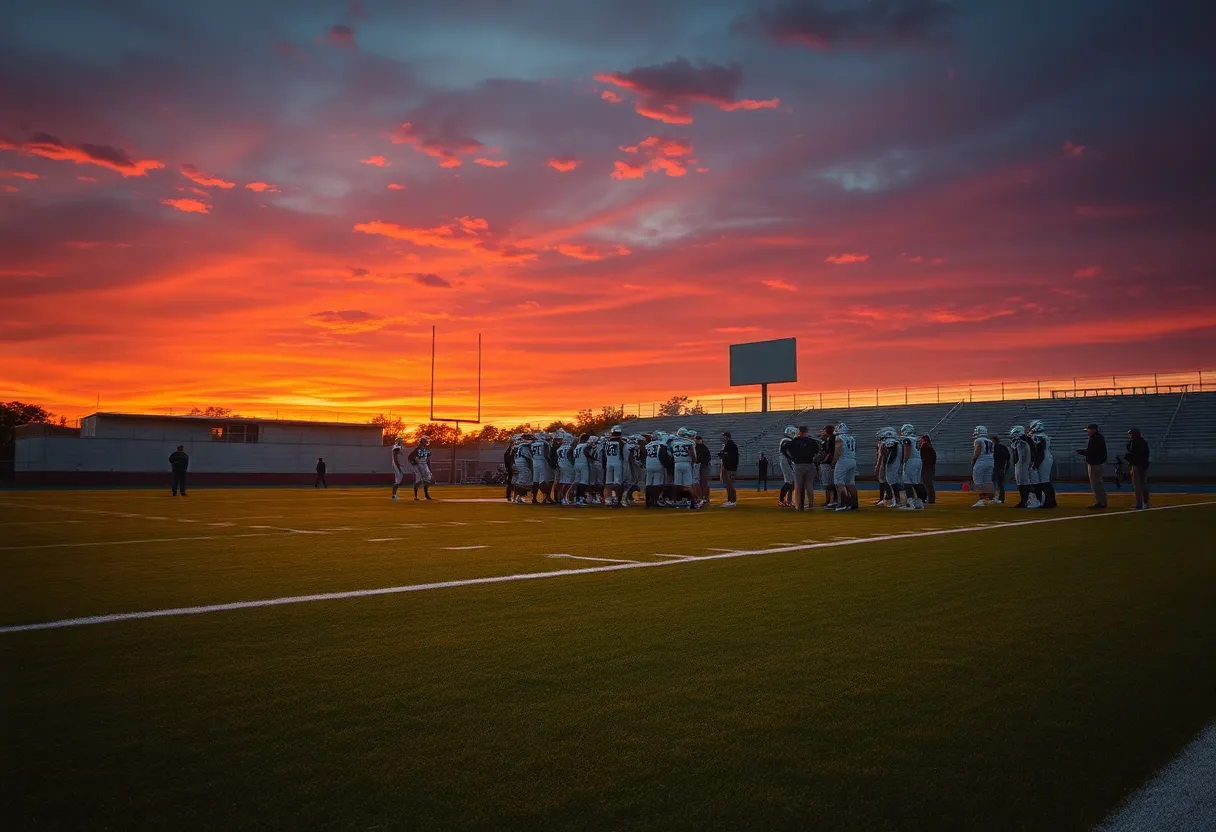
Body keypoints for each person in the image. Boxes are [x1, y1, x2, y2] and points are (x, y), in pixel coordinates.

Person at [1075, 423, 1107, 509]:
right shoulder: (1097, 438)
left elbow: (1091, 451)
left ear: (1093, 430)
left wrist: (1080, 452)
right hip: (1096, 463)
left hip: (1095, 464)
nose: (1087, 432)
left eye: (1088, 430)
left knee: (1096, 483)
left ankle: (1100, 502)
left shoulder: (1095, 439)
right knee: (1097, 483)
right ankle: (1101, 501)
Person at [788, 426, 820, 511]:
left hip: (798, 464)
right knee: (809, 484)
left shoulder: (794, 441)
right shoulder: (812, 441)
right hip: (809, 463)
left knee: (798, 485)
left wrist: (792, 458)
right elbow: (818, 452)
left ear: (799, 431)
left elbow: (786, 451)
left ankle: (798, 505)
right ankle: (811, 504)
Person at [1028, 419, 1057, 508]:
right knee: (1045, 481)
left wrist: (1036, 463)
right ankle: (1051, 501)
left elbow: (1040, 452)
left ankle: (1049, 502)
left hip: (1043, 459)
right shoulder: (1044, 436)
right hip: (1047, 458)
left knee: (1044, 481)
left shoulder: (1038, 437)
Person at [1009, 426, 1040, 508]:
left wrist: (1024, 465)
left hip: (1023, 465)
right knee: (1022, 484)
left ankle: (1033, 500)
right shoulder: (1025, 441)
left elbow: (1021, 456)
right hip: (1023, 465)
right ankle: (1025, 501)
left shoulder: (1021, 442)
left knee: (1025, 484)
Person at [897, 424, 926, 510]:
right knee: (917, 482)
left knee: (907, 483)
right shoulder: (916, 439)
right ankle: (919, 503)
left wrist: (904, 462)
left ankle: (910, 503)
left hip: (911, 461)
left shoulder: (907, 439)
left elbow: (907, 451)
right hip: (918, 460)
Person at [832, 422, 859, 511]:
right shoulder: (852, 438)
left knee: (838, 482)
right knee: (851, 483)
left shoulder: (839, 438)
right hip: (852, 459)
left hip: (843, 460)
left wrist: (834, 461)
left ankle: (844, 503)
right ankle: (854, 504)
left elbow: (837, 451)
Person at [970, 426, 996, 507]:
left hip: (981, 461)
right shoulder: (990, 441)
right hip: (990, 461)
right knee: (988, 481)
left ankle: (980, 500)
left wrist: (973, 460)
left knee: (978, 481)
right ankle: (992, 499)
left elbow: (977, 451)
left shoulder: (978, 440)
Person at [1126, 428, 1151, 510]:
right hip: (1143, 465)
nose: (1129, 436)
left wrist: (1129, 458)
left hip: (1137, 465)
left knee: (1137, 485)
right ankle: (1145, 503)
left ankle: (1139, 504)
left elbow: (1133, 454)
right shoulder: (1143, 442)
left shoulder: (1134, 443)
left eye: (1130, 434)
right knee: (1143, 484)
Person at [408, 436, 435, 501]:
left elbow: (428, 460)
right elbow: (410, 457)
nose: (426, 443)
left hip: (424, 465)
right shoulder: (417, 450)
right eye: (424, 441)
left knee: (428, 480)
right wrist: (414, 464)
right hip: (418, 465)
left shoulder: (427, 451)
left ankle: (426, 494)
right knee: (418, 481)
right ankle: (416, 496)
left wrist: (430, 469)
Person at [719, 431, 739, 507]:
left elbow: (725, 455)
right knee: (728, 484)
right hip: (729, 466)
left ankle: (732, 501)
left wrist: (722, 454)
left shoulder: (730, 444)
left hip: (730, 467)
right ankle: (730, 500)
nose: (722, 438)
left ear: (727, 437)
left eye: (723, 436)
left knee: (730, 484)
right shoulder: (728, 444)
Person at [778, 426, 797, 507]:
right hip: (786, 462)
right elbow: (785, 451)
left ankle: (789, 500)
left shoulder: (787, 440)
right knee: (789, 481)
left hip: (786, 461)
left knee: (791, 481)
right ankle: (781, 500)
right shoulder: (786, 440)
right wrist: (792, 458)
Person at [695, 433, 713, 506]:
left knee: (703, 482)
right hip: (702, 465)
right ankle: (704, 497)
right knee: (702, 482)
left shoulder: (702, 447)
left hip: (703, 465)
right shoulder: (701, 447)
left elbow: (707, 458)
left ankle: (705, 498)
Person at [992, 435, 1009, 504]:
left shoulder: (994, 449)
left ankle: (994, 498)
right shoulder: (1004, 448)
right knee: (1001, 484)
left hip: (996, 467)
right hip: (1003, 467)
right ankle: (1002, 499)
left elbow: (994, 457)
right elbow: (1008, 457)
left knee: (993, 482)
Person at [920, 435, 937, 504]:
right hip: (931, 468)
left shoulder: (924, 446)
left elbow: (921, 456)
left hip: (925, 468)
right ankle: (931, 498)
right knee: (929, 484)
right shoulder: (931, 448)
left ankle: (929, 499)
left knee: (926, 484)